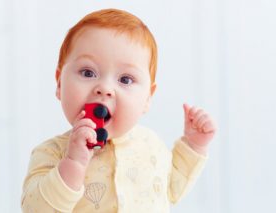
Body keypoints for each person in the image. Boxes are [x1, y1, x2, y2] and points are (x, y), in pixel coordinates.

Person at [21, 8, 217, 212]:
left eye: (125, 79)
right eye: (88, 72)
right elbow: (35, 208)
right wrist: (73, 163)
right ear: (60, 83)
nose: (105, 89)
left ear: (148, 97)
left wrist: (194, 145)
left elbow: (172, 189)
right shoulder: (51, 153)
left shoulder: (150, 144)